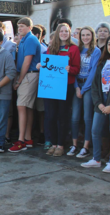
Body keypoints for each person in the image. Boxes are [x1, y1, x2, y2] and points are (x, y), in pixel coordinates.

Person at [37, 23, 80, 157]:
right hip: (50, 86)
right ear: (57, 33)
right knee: (50, 116)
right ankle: (53, 143)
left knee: (63, 116)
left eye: (66, 31)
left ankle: (61, 145)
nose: (63, 33)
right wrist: (40, 65)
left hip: (65, 86)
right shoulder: (51, 48)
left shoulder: (73, 49)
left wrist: (70, 69)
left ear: (69, 33)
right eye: (61, 31)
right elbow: (47, 64)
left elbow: (76, 69)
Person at [9, 17, 41, 152]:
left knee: (21, 106)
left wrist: (19, 80)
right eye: (18, 26)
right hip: (26, 75)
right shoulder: (23, 40)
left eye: (22, 26)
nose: (20, 28)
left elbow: (27, 63)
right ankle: (27, 138)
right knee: (27, 108)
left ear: (29, 27)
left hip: (30, 74)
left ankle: (21, 140)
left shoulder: (31, 39)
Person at [68, 26, 101, 157]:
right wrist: (76, 87)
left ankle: (86, 147)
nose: (85, 37)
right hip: (77, 85)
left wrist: (84, 89)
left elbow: (93, 72)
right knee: (75, 117)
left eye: (88, 35)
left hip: (88, 87)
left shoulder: (96, 51)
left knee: (87, 117)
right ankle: (74, 144)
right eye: (83, 35)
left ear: (92, 36)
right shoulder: (77, 49)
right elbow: (75, 69)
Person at [81, 36, 110, 173]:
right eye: (109, 44)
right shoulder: (102, 63)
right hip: (101, 104)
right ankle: (96, 159)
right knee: (95, 130)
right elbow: (95, 86)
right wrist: (99, 103)